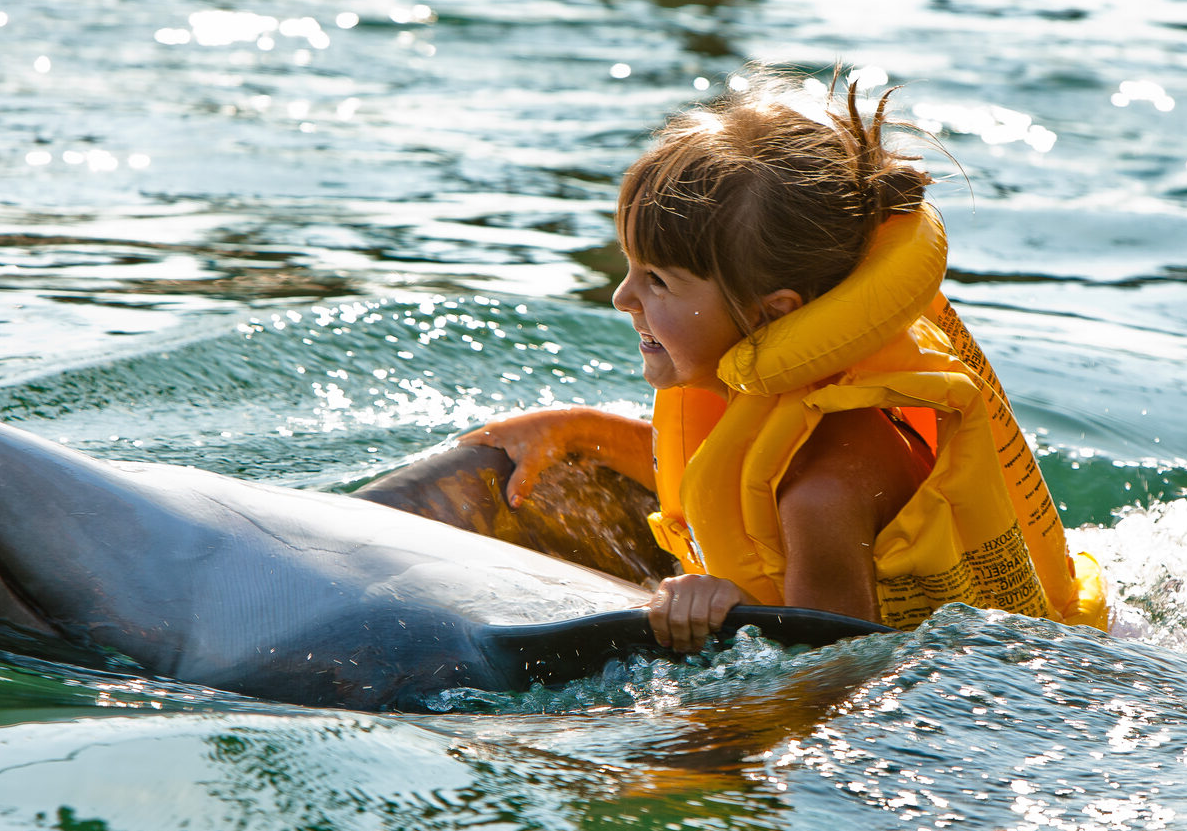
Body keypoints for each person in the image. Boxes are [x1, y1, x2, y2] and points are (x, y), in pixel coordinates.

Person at [463, 70, 1108, 652]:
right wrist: (583, 433)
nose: (622, 296)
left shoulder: (823, 493)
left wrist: (732, 614)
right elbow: (733, 485)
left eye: (657, 281)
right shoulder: (801, 396)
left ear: (772, 313)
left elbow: (830, 686)